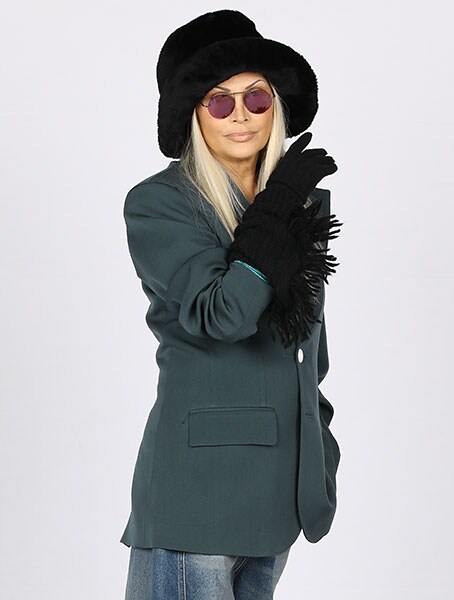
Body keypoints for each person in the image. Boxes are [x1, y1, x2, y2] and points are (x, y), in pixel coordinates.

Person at [121, 9, 343, 600]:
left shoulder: (299, 209)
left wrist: (320, 449)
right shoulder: (161, 203)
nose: (240, 114)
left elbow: (309, 352)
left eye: (256, 97)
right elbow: (224, 314)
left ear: (276, 106)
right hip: (197, 498)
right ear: (195, 114)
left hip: (278, 499)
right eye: (219, 101)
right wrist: (279, 205)